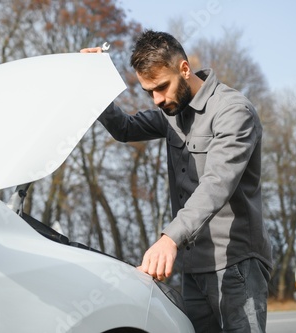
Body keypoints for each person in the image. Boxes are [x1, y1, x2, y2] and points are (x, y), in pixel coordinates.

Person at [81, 30, 273, 332]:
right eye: (149, 92)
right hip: (192, 267)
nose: (157, 99)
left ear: (184, 69)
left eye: (161, 87)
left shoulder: (233, 111)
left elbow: (216, 182)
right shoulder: (170, 111)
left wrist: (169, 239)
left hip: (235, 263)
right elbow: (125, 128)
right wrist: (95, 83)